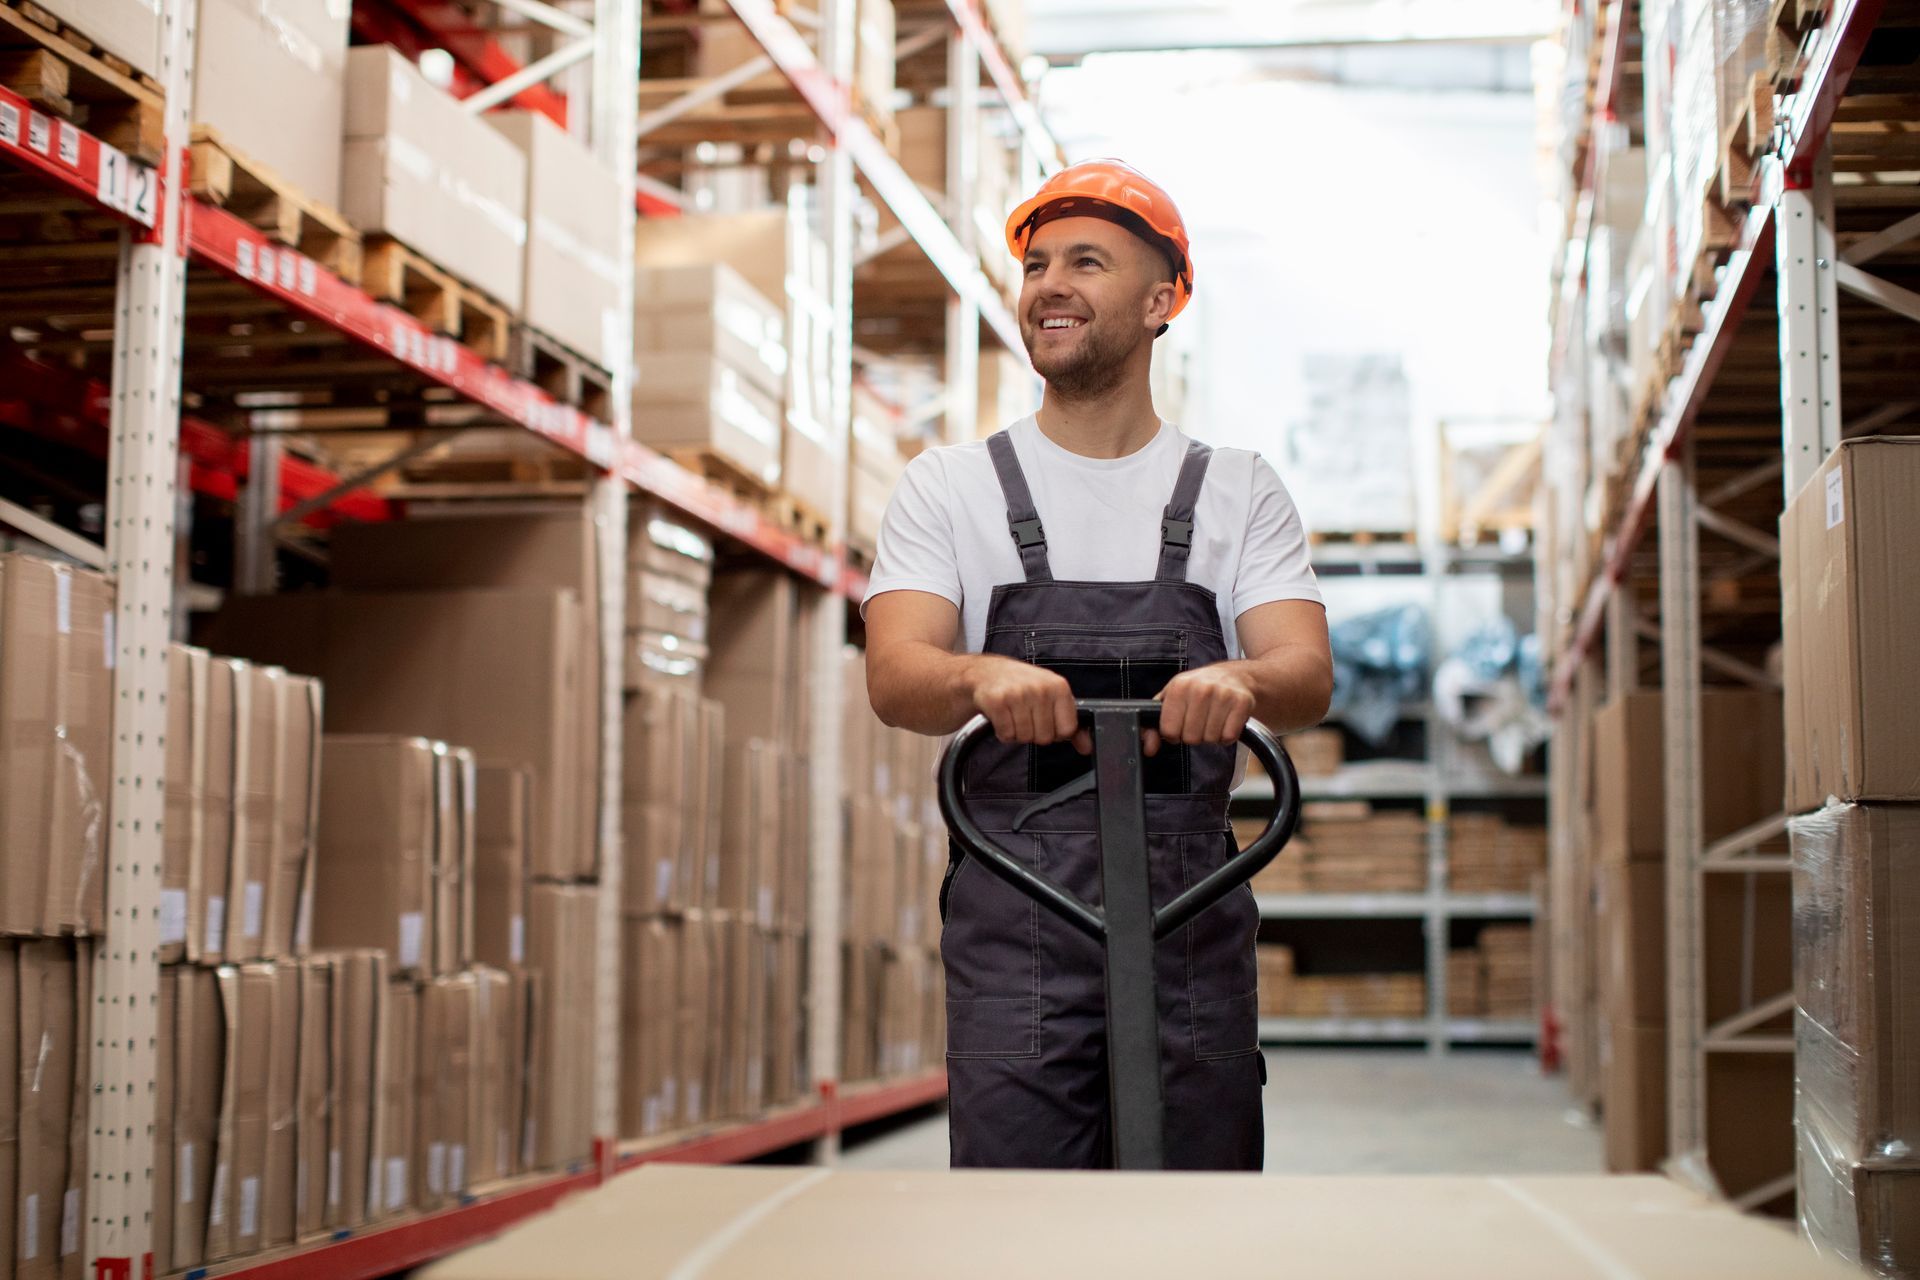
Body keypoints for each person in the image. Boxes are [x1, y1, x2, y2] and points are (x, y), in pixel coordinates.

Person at [862, 159, 1333, 1170]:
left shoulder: (1237, 490)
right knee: (1022, 1219)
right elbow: (897, 672)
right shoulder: (950, 487)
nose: (1049, 286)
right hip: (1016, 919)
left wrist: (1239, 682)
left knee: (1199, 1202)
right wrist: (977, 676)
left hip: (1190, 914)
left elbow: (1305, 670)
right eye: (1036, 265)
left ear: (1162, 302)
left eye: (1087, 261)